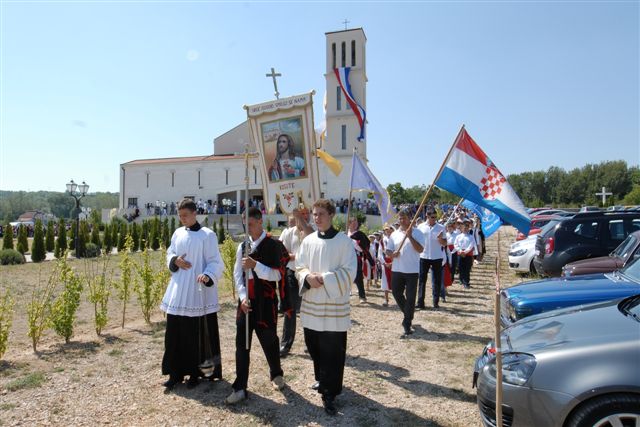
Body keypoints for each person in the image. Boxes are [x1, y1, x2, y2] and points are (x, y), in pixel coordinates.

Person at [295, 199, 357, 415]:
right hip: (312, 305)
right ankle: (321, 378)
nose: (317, 218)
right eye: (314, 214)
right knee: (314, 346)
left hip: (333, 307)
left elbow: (350, 272)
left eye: (321, 214)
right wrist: (306, 276)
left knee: (332, 351)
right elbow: (299, 266)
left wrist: (324, 278)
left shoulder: (344, 243)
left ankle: (330, 393)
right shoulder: (308, 241)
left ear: (331, 215)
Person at [225, 208, 289, 405]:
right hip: (246, 304)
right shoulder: (242, 246)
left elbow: (278, 275)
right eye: (246, 224)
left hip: (266, 302)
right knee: (242, 346)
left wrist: (256, 266)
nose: (248, 228)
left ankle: (276, 373)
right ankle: (240, 386)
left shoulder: (274, 245)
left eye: (251, 224)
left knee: (269, 340)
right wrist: (242, 297)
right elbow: (238, 275)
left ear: (260, 221)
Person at [160, 198, 224, 391]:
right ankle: (175, 373)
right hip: (179, 290)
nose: (182, 220)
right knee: (175, 333)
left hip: (198, 291)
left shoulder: (208, 235)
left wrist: (208, 274)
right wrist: (174, 260)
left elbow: (215, 261)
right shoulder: (177, 233)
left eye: (185, 216)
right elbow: (169, 253)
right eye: (180, 216)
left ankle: (196, 373)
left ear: (195, 213)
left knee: (196, 335)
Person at [278, 208, 313, 357]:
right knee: (290, 310)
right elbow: (283, 252)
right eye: (301, 213)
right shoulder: (289, 232)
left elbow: (311, 237)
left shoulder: (313, 230)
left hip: (308, 275)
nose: (304, 216)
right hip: (292, 274)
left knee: (308, 310)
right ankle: (286, 344)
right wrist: (294, 257)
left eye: (306, 213)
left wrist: (302, 221)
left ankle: (310, 344)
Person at [386, 209, 425, 338]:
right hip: (397, 269)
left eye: (404, 218)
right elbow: (388, 250)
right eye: (400, 218)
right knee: (396, 293)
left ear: (410, 219)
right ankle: (409, 313)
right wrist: (392, 254)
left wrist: (410, 237)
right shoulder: (394, 234)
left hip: (412, 271)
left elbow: (420, 249)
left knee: (410, 297)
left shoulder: (418, 232)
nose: (402, 221)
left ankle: (407, 323)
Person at [416, 209, 447, 310]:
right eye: (432, 217)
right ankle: (420, 302)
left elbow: (445, 243)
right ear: (427, 216)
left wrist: (440, 239)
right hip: (423, 256)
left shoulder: (441, 228)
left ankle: (435, 302)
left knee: (436, 281)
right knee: (422, 280)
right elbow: (417, 241)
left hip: (437, 256)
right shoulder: (420, 227)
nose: (434, 219)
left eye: (435, 217)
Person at [347, 217, 373, 303]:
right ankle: (345, 294)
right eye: (353, 223)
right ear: (349, 224)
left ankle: (362, 296)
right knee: (345, 276)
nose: (355, 225)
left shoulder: (360, 234)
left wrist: (353, 241)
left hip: (356, 258)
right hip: (345, 258)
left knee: (358, 277)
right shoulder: (345, 233)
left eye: (356, 223)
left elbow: (363, 248)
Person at [454, 218, 477, 289]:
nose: (465, 229)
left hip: (468, 254)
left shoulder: (471, 237)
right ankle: (461, 279)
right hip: (460, 254)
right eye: (464, 227)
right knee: (461, 268)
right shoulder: (458, 236)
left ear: (468, 228)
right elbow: (455, 244)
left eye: (466, 228)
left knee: (467, 269)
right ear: (461, 228)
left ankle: (466, 282)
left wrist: (465, 252)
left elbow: (471, 245)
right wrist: (460, 251)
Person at [377, 226, 394, 306]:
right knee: (385, 281)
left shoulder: (396, 239)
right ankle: (386, 300)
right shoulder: (382, 241)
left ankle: (399, 299)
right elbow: (380, 253)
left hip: (395, 262)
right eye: (386, 230)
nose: (388, 231)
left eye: (390, 230)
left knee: (396, 280)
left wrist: (393, 263)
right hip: (385, 261)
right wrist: (384, 263)